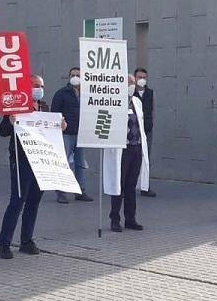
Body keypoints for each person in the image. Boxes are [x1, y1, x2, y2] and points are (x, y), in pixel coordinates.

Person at [0, 74, 57, 259]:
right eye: (35, 85)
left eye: (41, 86)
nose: (38, 89)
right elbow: (2, 131)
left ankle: (26, 240)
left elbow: (50, 131)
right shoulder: (18, 107)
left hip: (40, 160)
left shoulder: (44, 107)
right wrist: (10, 120)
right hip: (22, 159)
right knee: (17, 201)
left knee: (34, 201)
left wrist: (60, 126)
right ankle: (4, 243)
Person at [104, 74, 149, 231]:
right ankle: (114, 219)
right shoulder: (114, 102)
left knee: (131, 185)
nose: (131, 85)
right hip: (122, 149)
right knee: (119, 184)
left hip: (136, 147)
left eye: (133, 83)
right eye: (128, 82)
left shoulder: (137, 101)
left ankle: (130, 218)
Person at [50, 67, 93, 203]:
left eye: (78, 75)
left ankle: (80, 191)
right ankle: (61, 192)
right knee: (63, 163)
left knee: (80, 164)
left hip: (81, 134)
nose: (75, 77)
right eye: (73, 75)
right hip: (66, 135)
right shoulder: (61, 93)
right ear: (69, 77)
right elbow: (54, 113)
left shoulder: (86, 94)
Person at [133, 68, 157, 197]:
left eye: (144, 77)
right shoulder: (130, 93)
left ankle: (145, 187)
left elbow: (151, 110)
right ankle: (128, 186)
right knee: (131, 158)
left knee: (146, 158)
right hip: (133, 131)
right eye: (139, 77)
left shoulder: (150, 93)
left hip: (147, 129)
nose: (141, 80)